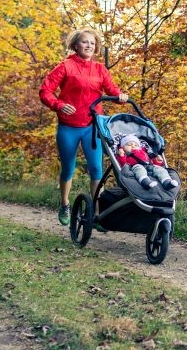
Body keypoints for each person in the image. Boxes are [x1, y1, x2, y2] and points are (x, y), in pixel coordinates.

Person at [39, 28, 128, 225]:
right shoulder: (65, 67)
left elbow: (112, 89)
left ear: (96, 47)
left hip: (92, 126)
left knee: (97, 169)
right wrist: (59, 105)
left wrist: (120, 96)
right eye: (84, 42)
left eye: (92, 43)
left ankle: (97, 215)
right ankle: (64, 204)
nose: (89, 45)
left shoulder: (100, 70)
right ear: (75, 46)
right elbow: (45, 91)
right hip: (69, 127)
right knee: (68, 168)